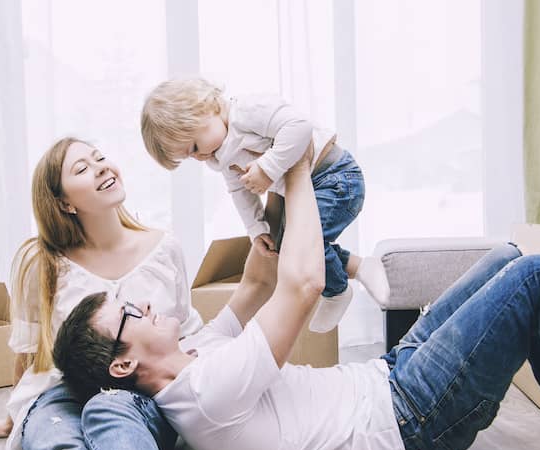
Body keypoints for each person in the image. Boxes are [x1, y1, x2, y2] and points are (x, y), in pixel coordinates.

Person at [52, 159, 540, 450]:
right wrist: (301, 174)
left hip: (389, 381)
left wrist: (243, 177)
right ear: (123, 364)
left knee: (510, 258)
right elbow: (299, 285)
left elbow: (262, 281)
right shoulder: (205, 392)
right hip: (411, 424)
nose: (147, 303)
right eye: (131, 311)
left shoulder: (199, 353)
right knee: (538, 277)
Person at [0, 137, 273, 450]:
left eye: (100, 158)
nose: (101, 167)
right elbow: (30, 354)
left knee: (116, 422)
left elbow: (186, 335)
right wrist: (14, 421)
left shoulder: (164, 248)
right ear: (63, 202)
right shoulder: (41, 262)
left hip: (140, 395)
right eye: (82, 168)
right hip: (59, 395)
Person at [140, 77, 387, 333]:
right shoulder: (221, 153)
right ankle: (359, 266)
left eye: (193, 146)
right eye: (190, 156)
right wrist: (257, 229)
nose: (200, 157)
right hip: (307, 190)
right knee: (285, 247)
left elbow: (298, 127)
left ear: (203, 109)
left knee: (304, 244)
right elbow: (239, 190)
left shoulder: (246, 112)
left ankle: (337, 291)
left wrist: (268, 168)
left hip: (336, 178)